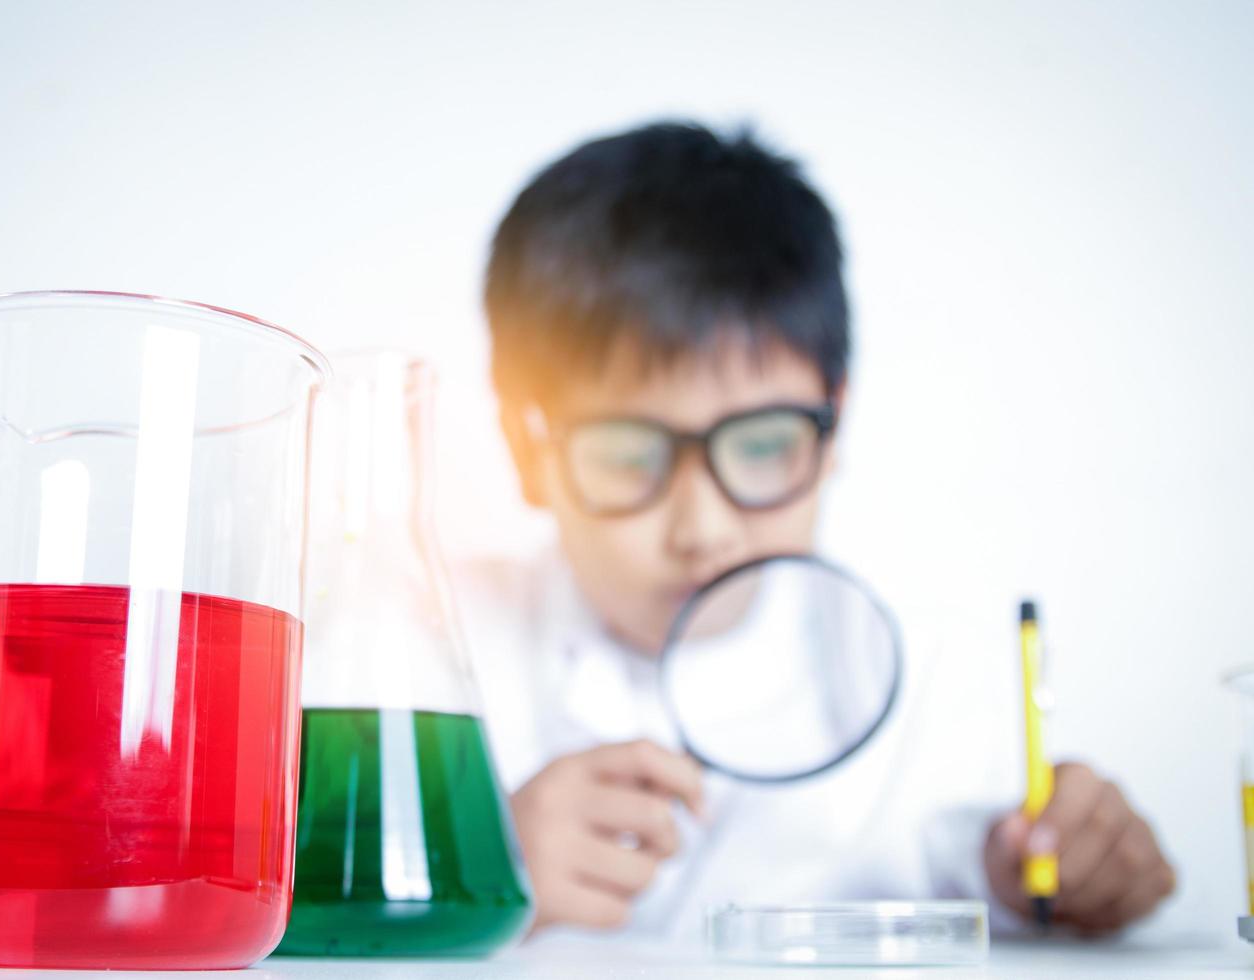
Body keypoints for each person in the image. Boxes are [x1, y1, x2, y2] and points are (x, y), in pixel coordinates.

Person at [456, 120, 1176, 943]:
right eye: (627, 455)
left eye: (762, 446)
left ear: (833, 426)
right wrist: (468, 877)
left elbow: (1004, 887)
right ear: (526, 449)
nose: (704, 528)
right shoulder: (425, 660)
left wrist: (1072, 876)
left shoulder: (943, 688)